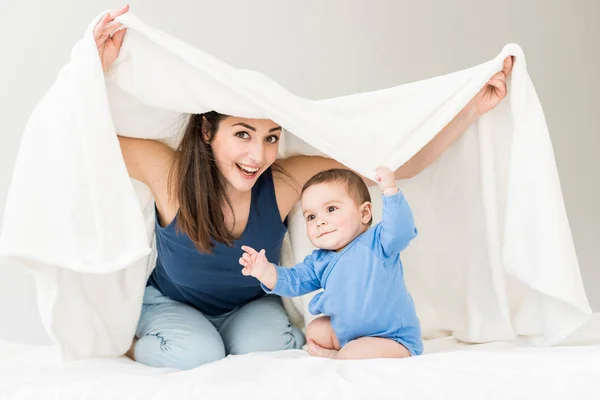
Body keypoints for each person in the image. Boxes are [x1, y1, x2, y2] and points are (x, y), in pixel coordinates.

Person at [95, 5, 514, 370]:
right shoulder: (168, 174)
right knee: (194, 354)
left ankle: (225, 338)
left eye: (271, 137)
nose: (258, 155)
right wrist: (95, 70)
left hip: (248, 307)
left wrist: (472, 108)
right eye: (242, 134)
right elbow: (88, 140)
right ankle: (134, 347)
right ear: (207, 131)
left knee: (270, 351)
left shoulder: (283, 181)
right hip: (175, 304)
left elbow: (395, 165)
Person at [240, 167, 421, 360]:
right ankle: (343, 350)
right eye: (311, 217)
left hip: (391, 340)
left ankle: (338, 356)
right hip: (349, 334)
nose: (320, 222)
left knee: (353, 353)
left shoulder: (378, 242)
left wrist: (390, 192)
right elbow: (294, 281)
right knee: (315, 331)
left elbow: (401, 230)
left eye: (331, 209)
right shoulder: (319, 261)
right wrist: (264, 271)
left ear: (365, 213)